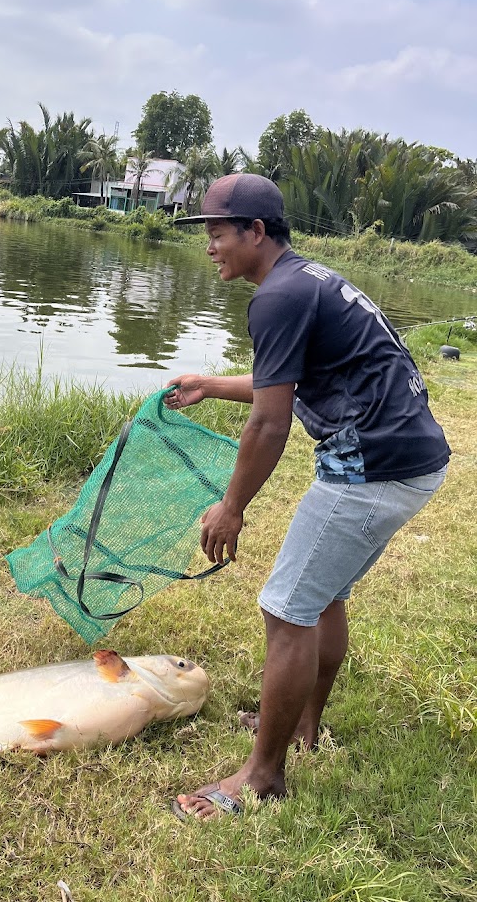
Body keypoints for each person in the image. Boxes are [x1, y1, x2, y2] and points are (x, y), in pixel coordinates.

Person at [166, 173, 450, 820]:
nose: (210, 245)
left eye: (217, 231)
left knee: (288, 609)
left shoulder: (277, 298)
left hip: (371, 470)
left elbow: (271, 421)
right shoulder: (304, 280)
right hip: (412, 462)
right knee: (323, 598)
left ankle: (262, 776)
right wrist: (211, 382)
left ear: (255, 231)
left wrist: (231, 505)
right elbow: (279, 385)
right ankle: (302, 725)